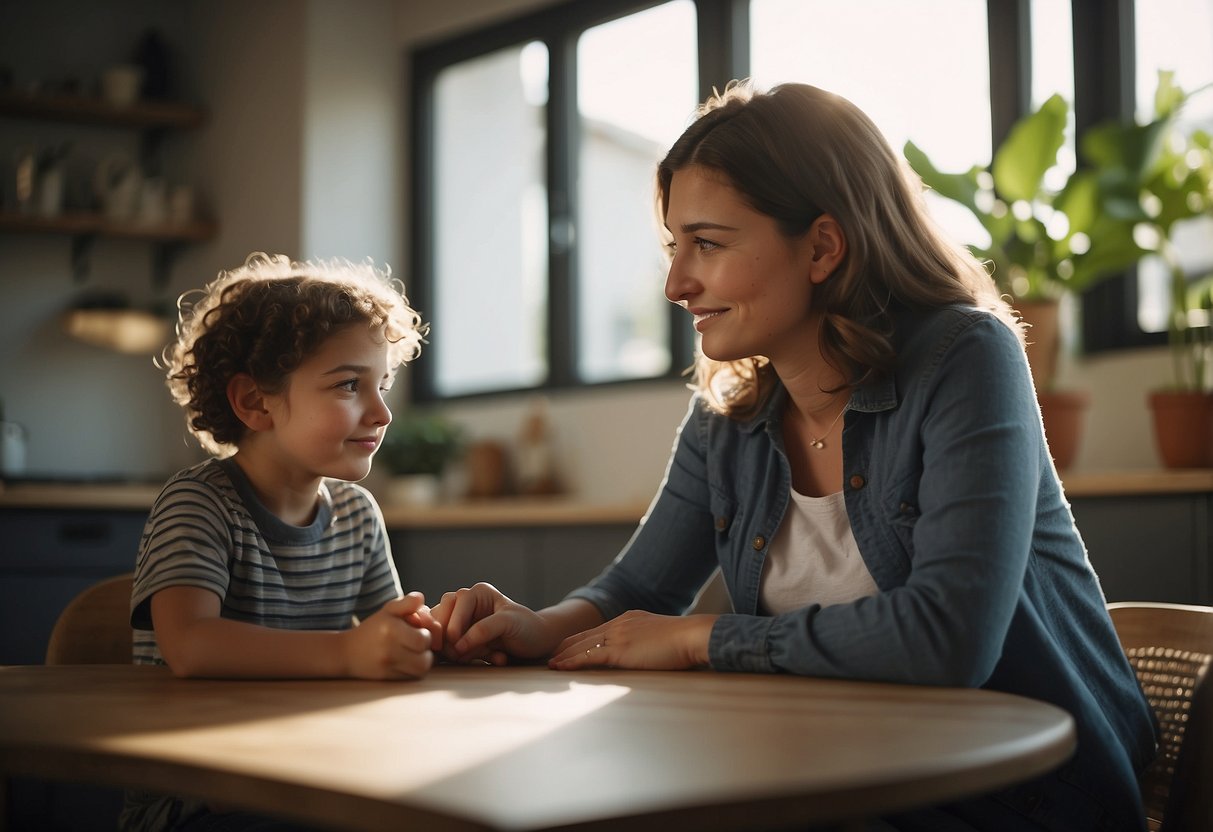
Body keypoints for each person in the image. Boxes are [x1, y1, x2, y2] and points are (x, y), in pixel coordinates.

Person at [431, 82, 1157, 830]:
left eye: (707, 244)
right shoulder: (731, 414)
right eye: (673, 246)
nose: (677, 283)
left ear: (820, 246)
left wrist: (698, 640)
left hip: (1021, 797)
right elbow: (640, 585)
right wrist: (535, 628)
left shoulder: (965, 357)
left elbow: (947, 638)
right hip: (838, 771)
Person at [125, 252, 439, 832]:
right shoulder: (200, 503)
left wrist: (439, 633)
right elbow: (190, 645)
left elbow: (385, 631)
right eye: (349, 384)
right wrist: (348, 653)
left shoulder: (357, 514)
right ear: (254, 402)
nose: (383, 412)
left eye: (383, 383)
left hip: (304, 778)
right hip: (197, 799)